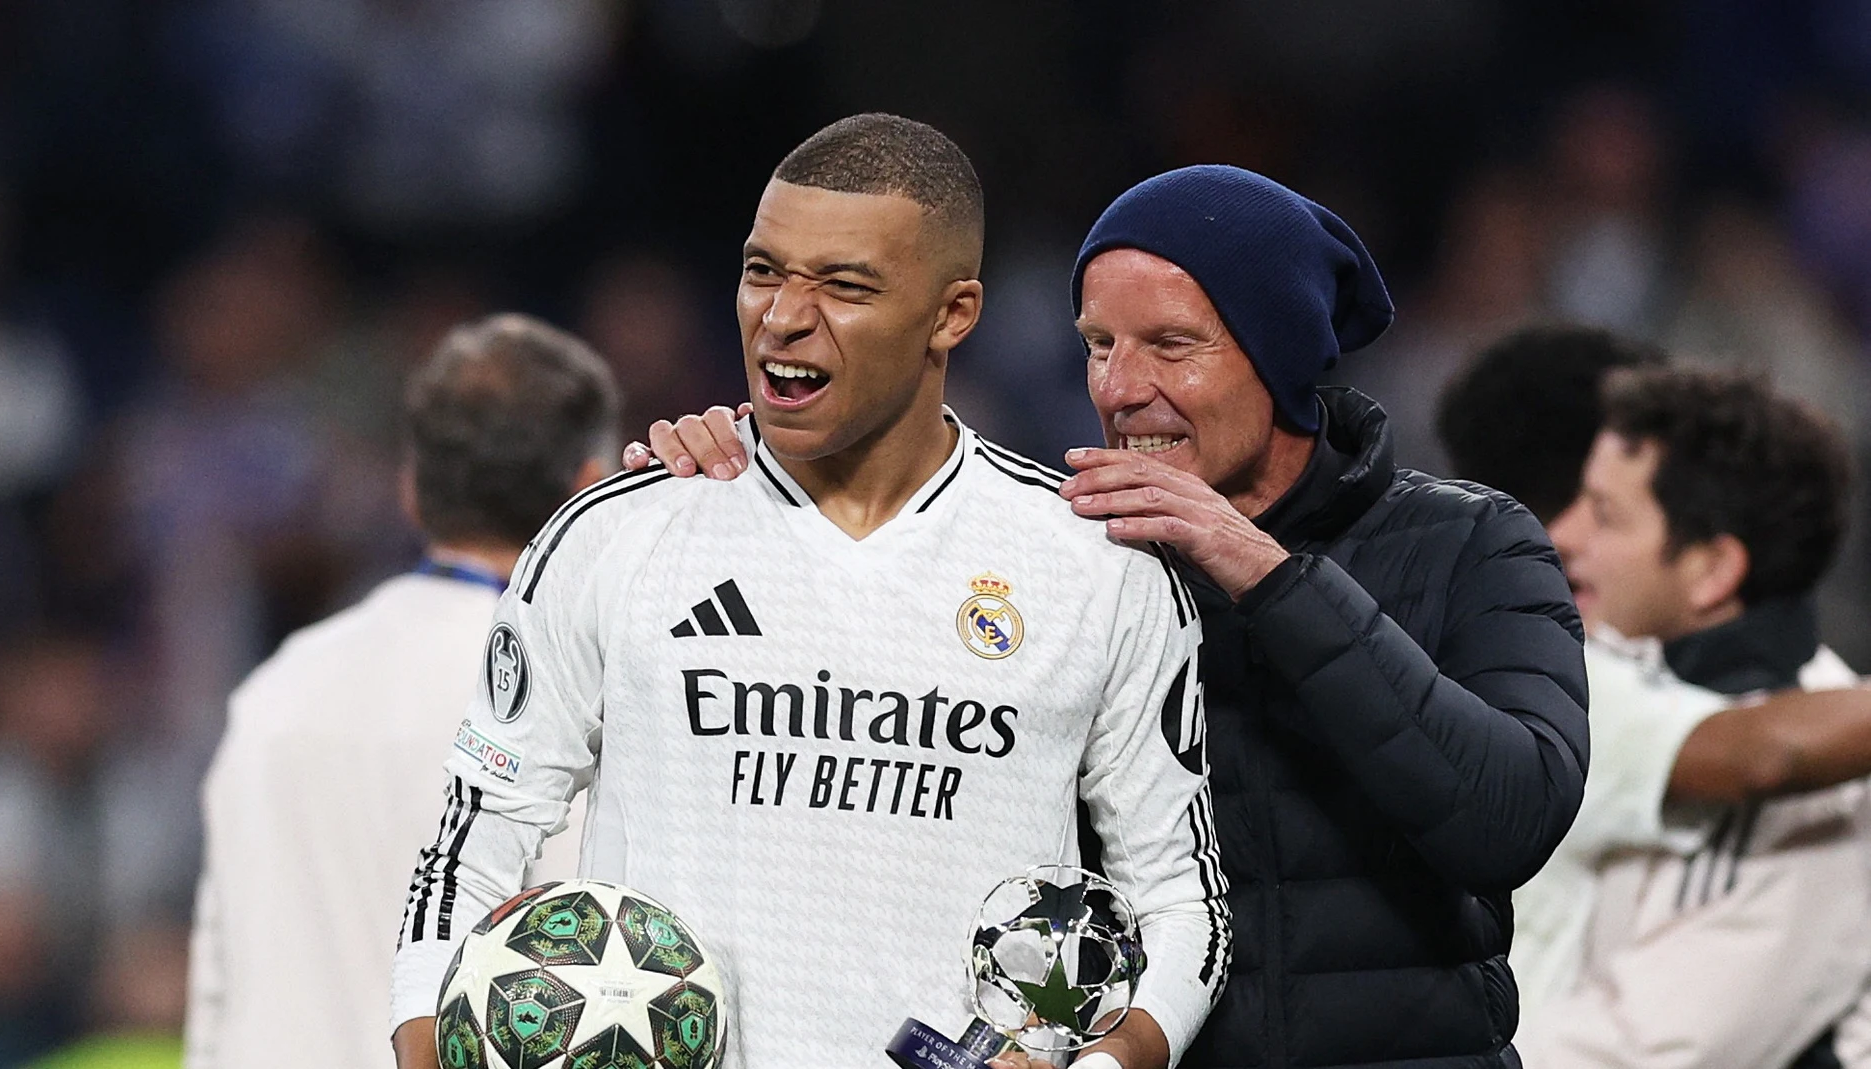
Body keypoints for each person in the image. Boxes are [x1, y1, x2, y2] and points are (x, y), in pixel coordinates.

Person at [636, 165, 1590, 1069]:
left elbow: (1507, 819)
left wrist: (1265, 572)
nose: (1119, 388)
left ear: (1283, 353)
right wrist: (724, 504)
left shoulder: (1472, 542)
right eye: (1098, 344)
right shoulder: (1060, 563)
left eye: (1171, 345)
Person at [389, 115, 1228, 1069]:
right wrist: (426, 1046)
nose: (783, 316)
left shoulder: (1095, 568)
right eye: (762, 271)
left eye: (844, 285)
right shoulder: (617, 535)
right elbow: (470, 843)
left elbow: (1180, 900)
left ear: (953, 315)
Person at [184, 314, 618, 1069]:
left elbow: (217, 989)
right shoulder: (584, 699)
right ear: (591, 486)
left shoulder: (276, 688)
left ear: (411, 489)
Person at [1435, 326, 1871, 1027]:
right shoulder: (1553, 678)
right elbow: (1758, 752)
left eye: (1606, 512)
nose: (1573, 540)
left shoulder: (1833, 772)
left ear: (1712, 567)